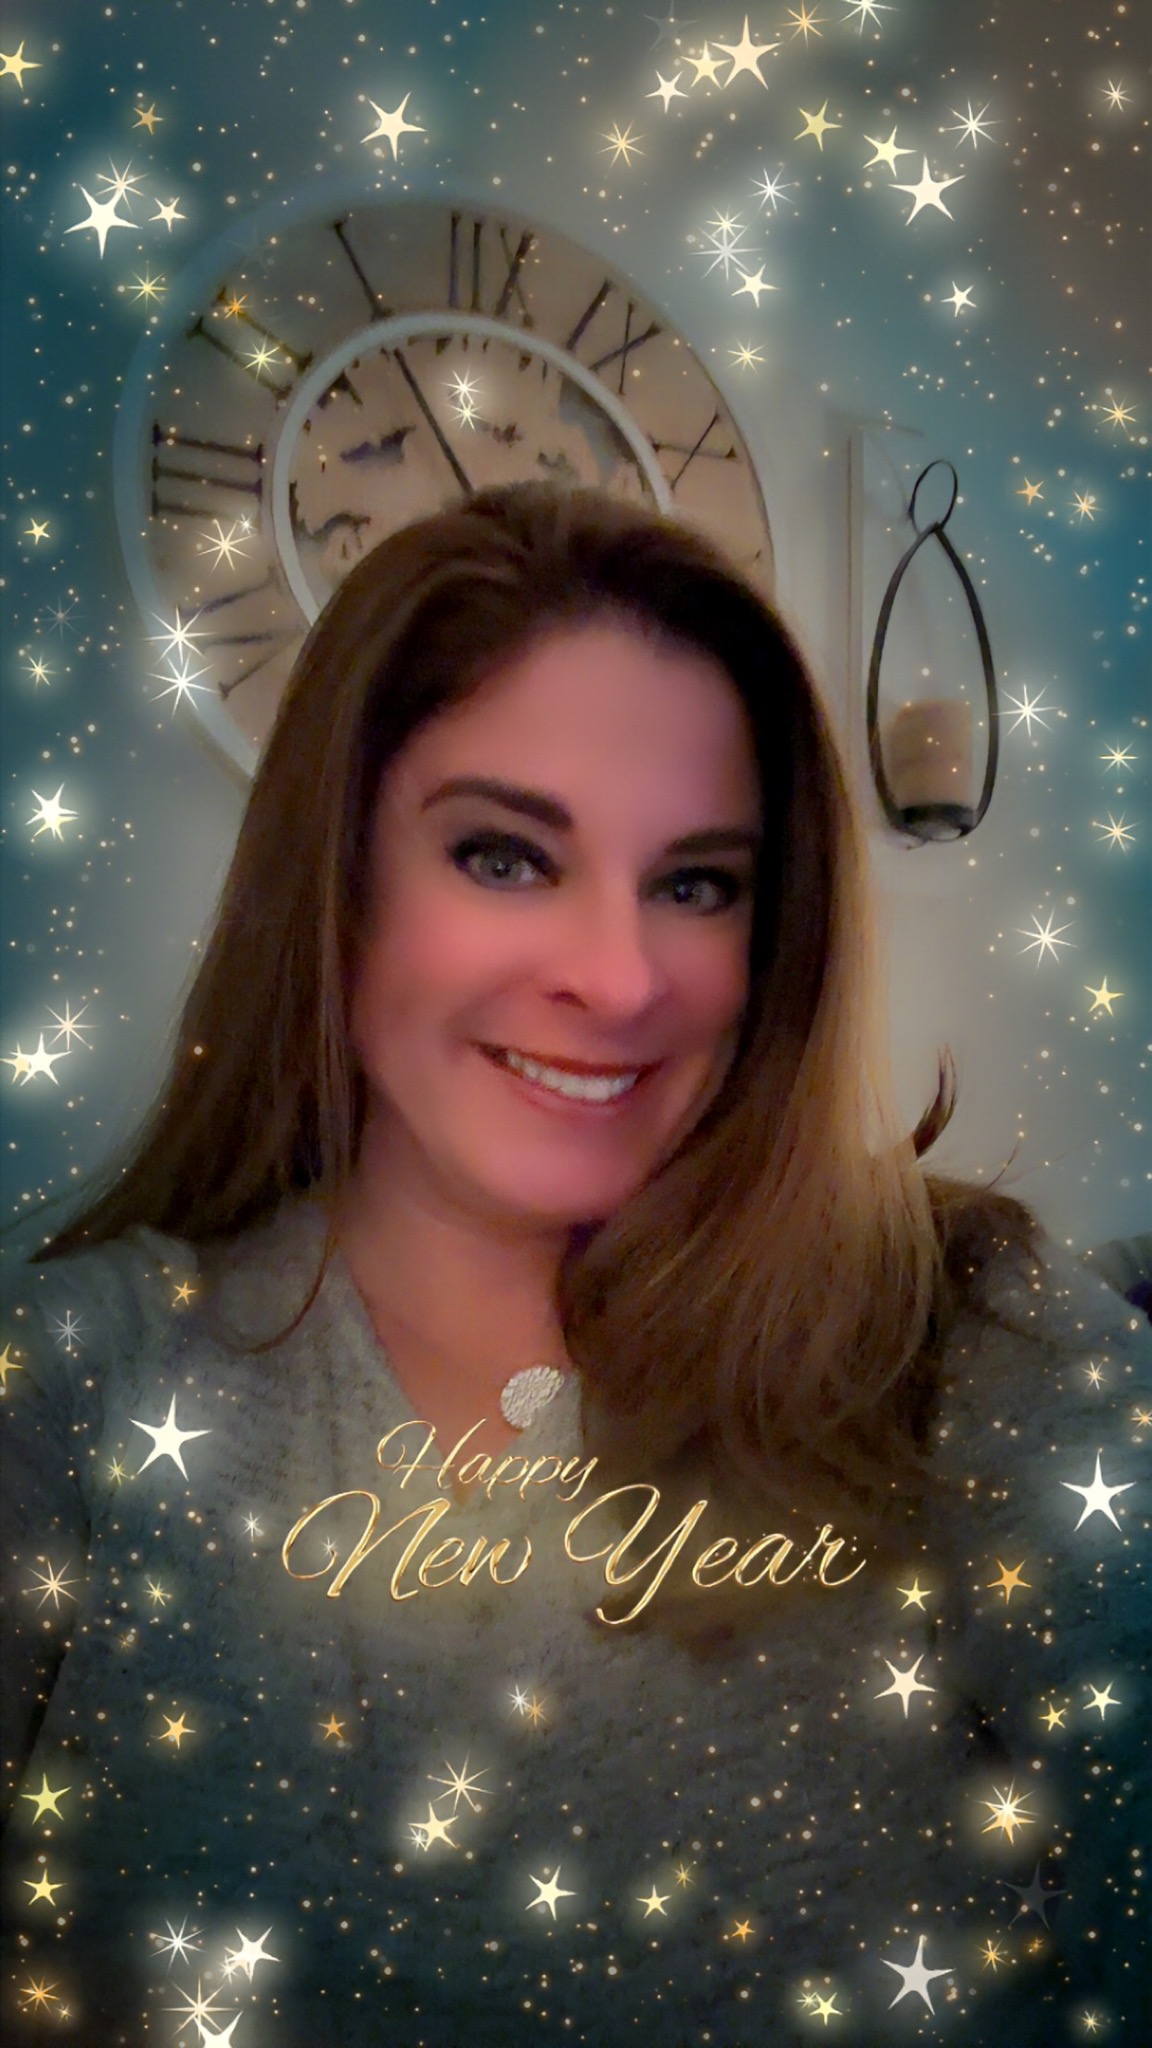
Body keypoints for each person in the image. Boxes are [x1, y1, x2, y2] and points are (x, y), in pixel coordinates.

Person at [1, 484, 1146, 2046]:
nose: (617, 980)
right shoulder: (83, 1373)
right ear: (339, 880)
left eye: (696, 885)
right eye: (503, 855)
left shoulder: (961, 1325)